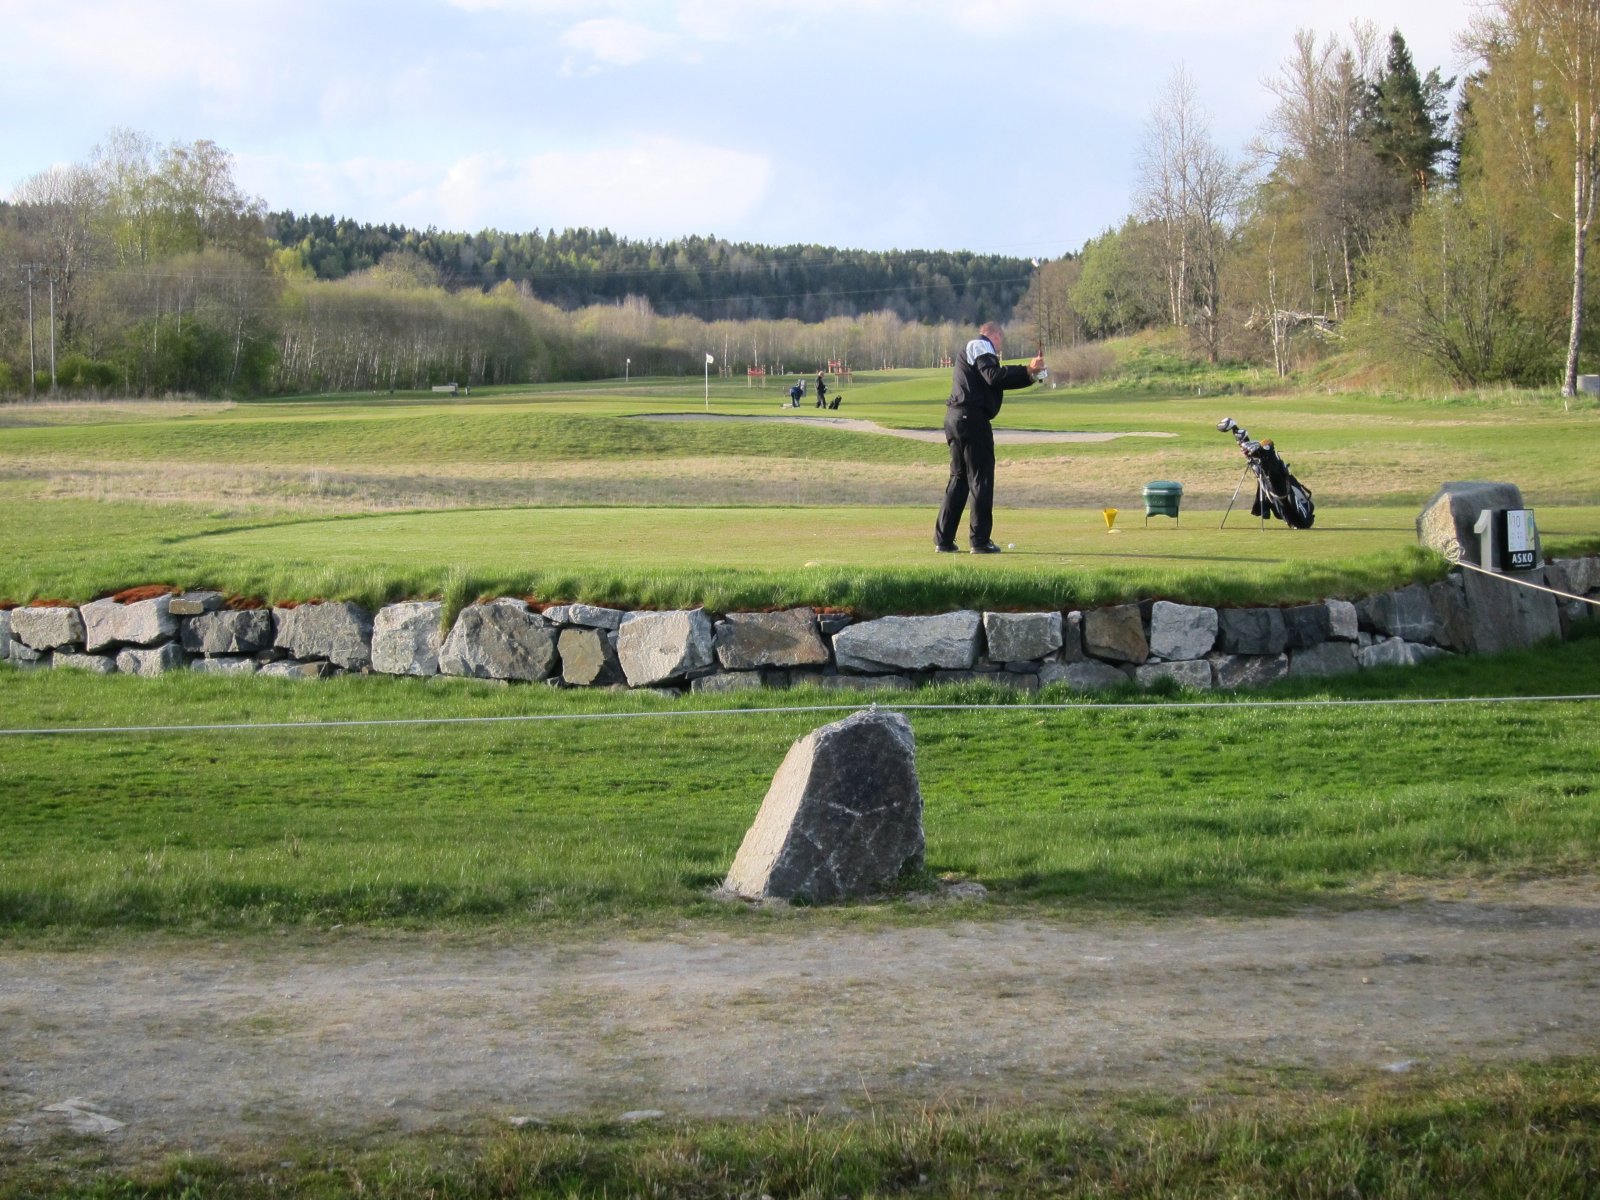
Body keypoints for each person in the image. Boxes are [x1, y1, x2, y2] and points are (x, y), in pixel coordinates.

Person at [933, 322, 1045, 553]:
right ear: (994, 334)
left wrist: (1030, 375)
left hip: (956, 419)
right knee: (980, 480)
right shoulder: (981, 344)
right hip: (972, 420)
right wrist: (1026, 370)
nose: (999, 347)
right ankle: (980, 541)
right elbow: (994, 376)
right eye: (1000, 340)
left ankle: (944, 541)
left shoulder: (977, 350)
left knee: (959, 479)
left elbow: (995, 378)